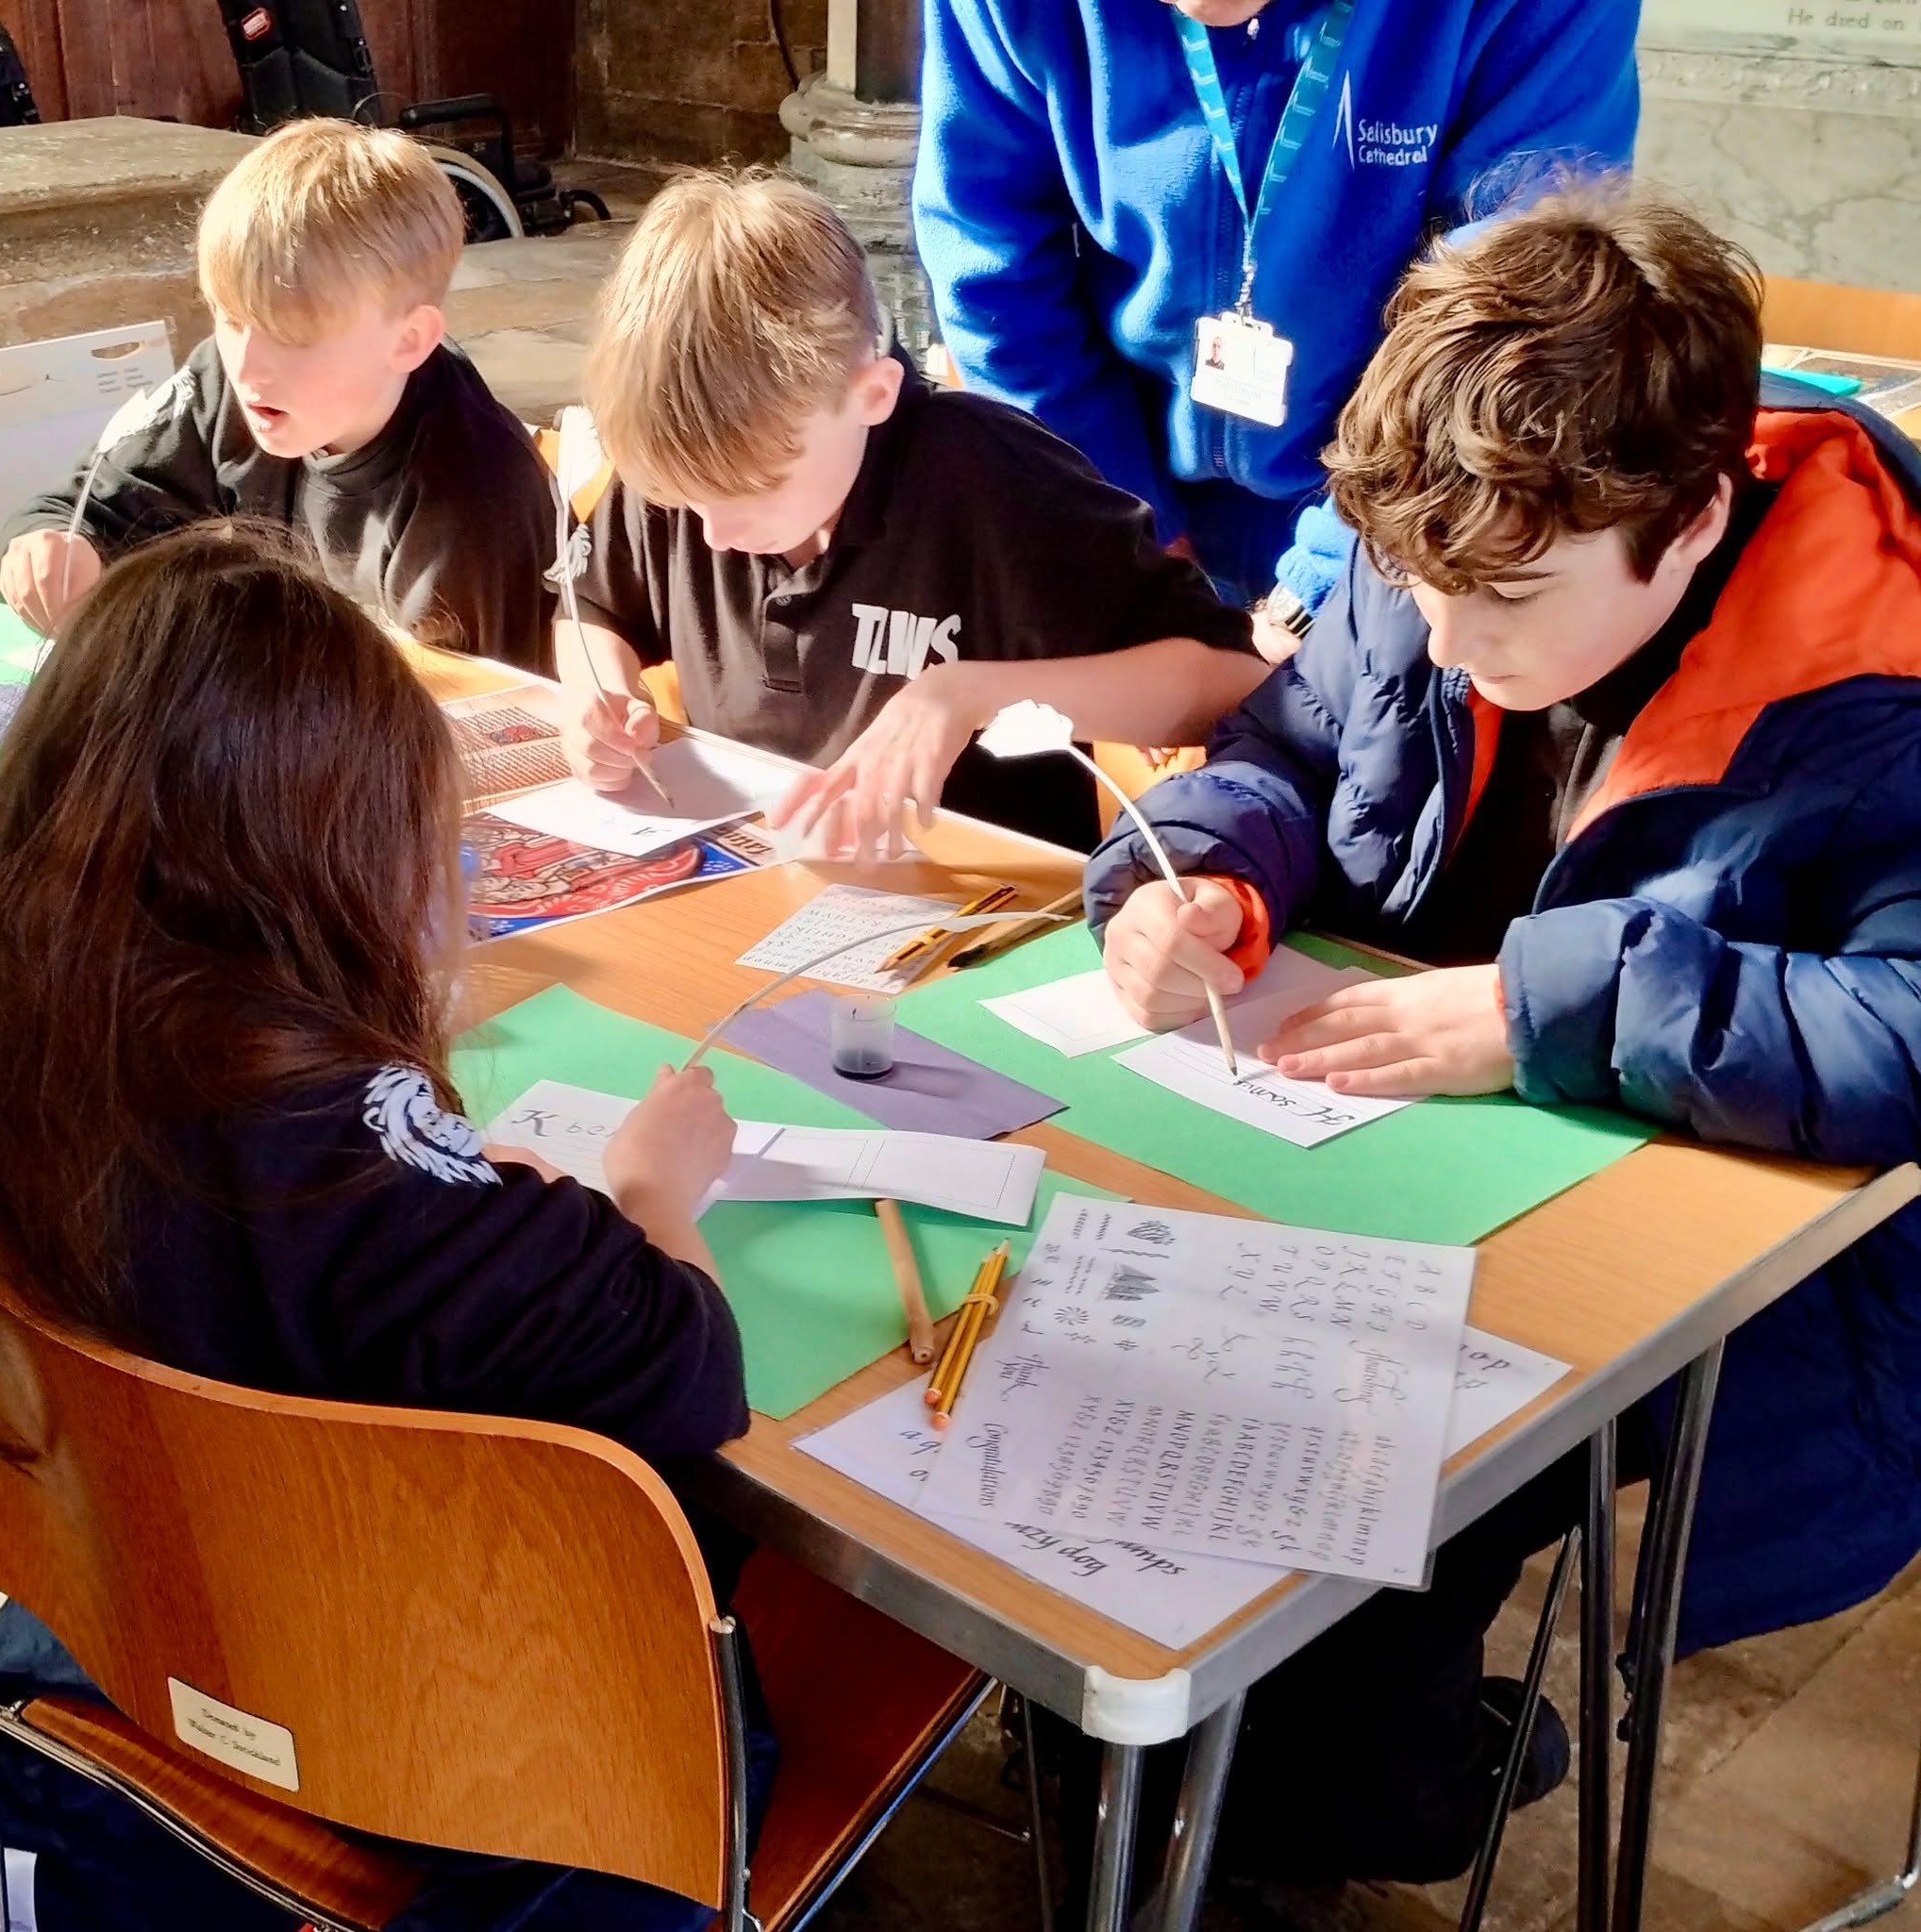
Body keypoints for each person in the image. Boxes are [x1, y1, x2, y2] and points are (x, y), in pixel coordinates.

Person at [1080, 181, 1921, 1884]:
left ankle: (1347, 1810)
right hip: (1392, 1155)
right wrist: (1204, 881)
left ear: (1685, 523)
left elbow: (1899, 1029)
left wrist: (1535, 1010)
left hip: (1740, 1262)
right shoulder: (1450, 535)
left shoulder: (1879, 664)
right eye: (1413, 585)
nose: (1451, 643)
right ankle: (1167, 1785)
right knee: (1115, 1371)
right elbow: (1292, 742)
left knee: (1376, 1485)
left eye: (1511, 608)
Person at [0, 525, 763, 1930]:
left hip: (115, 1631)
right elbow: (689, 1371)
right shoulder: (335, 1142)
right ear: (332, 860)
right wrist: (652, 1189)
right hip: (452, 1754)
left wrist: (464, 1190)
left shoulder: (38, 1020)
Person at [555, 168, 1265, 861]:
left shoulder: (995, 485)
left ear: (873, 394)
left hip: (987, 912)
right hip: (765, 878)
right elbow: (593, 612)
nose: (713, 533)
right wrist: (601, 695)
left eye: (754, 489)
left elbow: (1232, 680)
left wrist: (974, 694)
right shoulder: (690, 459)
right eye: (681, 501)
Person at [914, 0, 1641, 633]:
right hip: (1119, 469)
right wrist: (1118, 531)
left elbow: (1509, 314)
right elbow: (990, 259)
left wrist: (1325, 577)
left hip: (1405, 518)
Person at [0, 118, 556, 672]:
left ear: (408, 341)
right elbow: (84, 508)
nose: (246, 366)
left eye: (293, 337)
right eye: (230, 317)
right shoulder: (229, 382)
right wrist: (48, 545)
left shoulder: (473, 496)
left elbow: (481, 715)